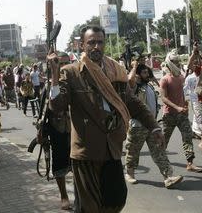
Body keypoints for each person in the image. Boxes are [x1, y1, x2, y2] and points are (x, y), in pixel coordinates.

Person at [48, 25, 164, 213]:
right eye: (91, 42)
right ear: (82, 46)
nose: (96, 46)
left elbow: (133, 104)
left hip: (112, 149)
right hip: (86, 152)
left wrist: (155, 127)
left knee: (115, 202)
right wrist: (54, 75)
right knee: (90, 208)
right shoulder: (71, 72)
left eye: (100, 42)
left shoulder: (115, 72)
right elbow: (57, 106)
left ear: (104, 45)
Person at [124, 63, 183, 188]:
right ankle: (130, 173)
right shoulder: (135, 87)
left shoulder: (148, 86)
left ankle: (168, 177)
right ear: (138, 75)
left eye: (147, 72)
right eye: (144, 72)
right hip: (137, 125)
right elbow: (129, 80)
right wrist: (134, 67)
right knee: (133, 151)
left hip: (152, 125)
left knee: (159, 150)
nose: (147, 74)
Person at [160, 50, 202, 172]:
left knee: (187, 137)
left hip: (182, 115)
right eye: (175, 61)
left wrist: (184, 106)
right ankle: (162, 162)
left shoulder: (180, 77)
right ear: (169, 62)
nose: (178, 63)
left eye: (179, 61)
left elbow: (183, 93)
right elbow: (163, 98)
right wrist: (177, 107)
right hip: (169, 115)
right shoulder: (165, 79)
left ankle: (190, 163)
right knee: (164, 139)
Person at [47, 52, 72, 210]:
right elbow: (48, 108)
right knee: (60, 163)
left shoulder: (77, 81)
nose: (63, 67)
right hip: (59, 129)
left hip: (77, 128)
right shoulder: (50, 84)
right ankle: (64, 195)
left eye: (66, 63)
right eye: (60, 64)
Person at [184, 70, 202, 139]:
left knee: (198, 116)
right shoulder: (190, 77)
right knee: (198, 115)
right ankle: (200, 134)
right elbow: (185, 89)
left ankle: (195, 132)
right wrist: (182, 100)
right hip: (194, 99)